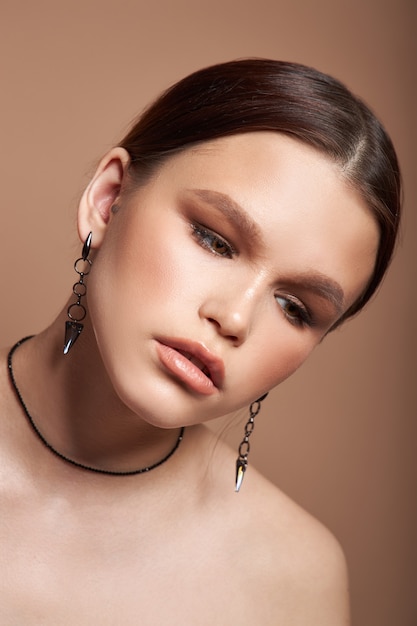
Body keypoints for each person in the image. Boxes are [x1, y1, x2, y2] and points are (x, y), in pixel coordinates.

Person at [0, 59, 401, 624]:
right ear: (108, 201)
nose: (235, 317)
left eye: (295, 308)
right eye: (215, 241)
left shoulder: (293, 579)